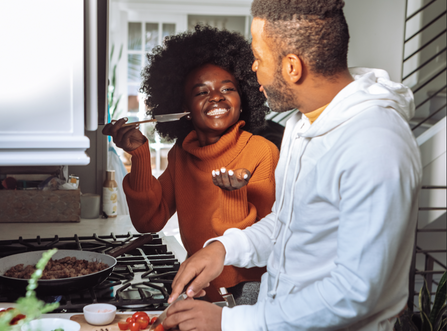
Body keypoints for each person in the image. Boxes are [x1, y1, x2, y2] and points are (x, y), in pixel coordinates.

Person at [164, 1, 423, 330]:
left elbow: (356, 293)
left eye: (258, 57)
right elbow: (290, 224)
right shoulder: (304, 126)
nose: (253, 68)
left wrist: (231, 322)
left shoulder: (376, 144)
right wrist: (223, 248)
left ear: (291, 67)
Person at [102, 26, 280, 303]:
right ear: (182, 108)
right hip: (199, 290)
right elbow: (149, 221)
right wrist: (139, 155)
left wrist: (233, 195)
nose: (216, 96)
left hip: (247, 296)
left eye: (227, 89)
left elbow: (267, 242)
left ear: (243, 100)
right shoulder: (181, 155)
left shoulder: (262, 152)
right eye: (201, 92)